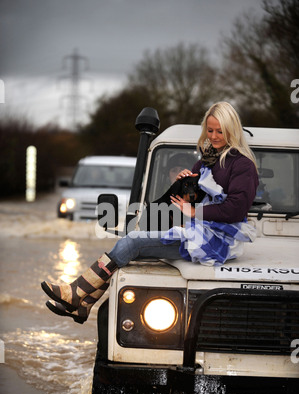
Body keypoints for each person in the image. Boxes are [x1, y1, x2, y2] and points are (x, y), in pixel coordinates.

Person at [41, 101, 259, 324]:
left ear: (232, 129)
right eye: (210, 130)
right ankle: (83, 303)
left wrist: (194, 212)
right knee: (125, 253)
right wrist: (186, 183)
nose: (213, 136)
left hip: (216, 240)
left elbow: (236, 209)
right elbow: (190, 199)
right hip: (197, 231)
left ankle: (76, 292)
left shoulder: (242, 165)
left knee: (132, 242)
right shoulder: (206, 160)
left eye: (220, 131)